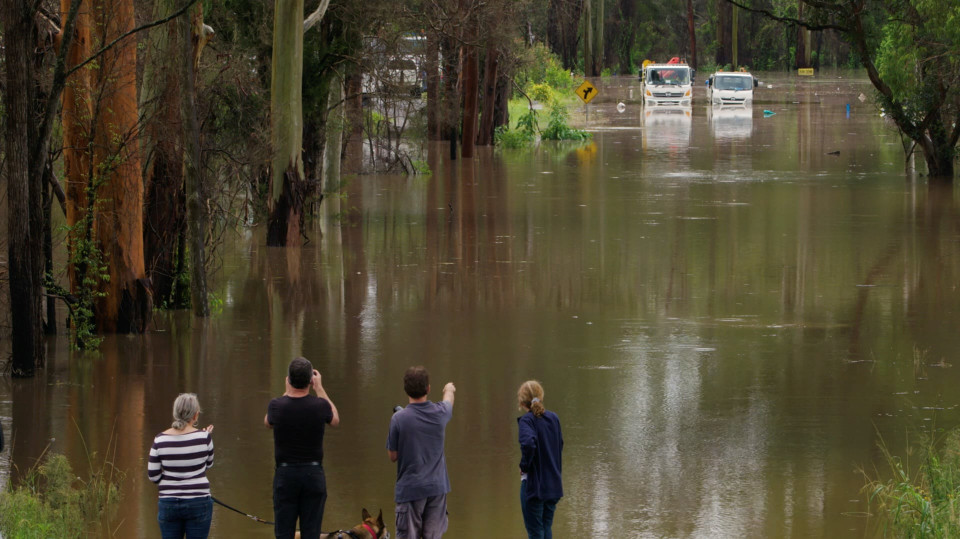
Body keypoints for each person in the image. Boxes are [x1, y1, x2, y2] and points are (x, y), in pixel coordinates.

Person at [265, 357, 340, 539]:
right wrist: (319, 388)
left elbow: (268, 423)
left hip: (285, 475)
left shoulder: (277, 405)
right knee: (311, 533)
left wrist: (287, 390)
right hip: (313, 474)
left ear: (289, 379)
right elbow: (335, 420)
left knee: (284, 533)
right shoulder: (320, 405)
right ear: (311, 380)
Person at [387, 366, 455, 539]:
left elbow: (392, 456)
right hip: (437, 489)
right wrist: (449, 388)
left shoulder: (398, 419)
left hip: (409, 490)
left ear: (405, 389)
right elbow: (448, 401)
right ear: (428, 388)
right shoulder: (440, 413)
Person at [148, 393, 215, 539]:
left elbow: (153, 475)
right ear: (196, 415)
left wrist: (170, 483)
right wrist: (204, 436)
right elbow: (208, 464)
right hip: (199, 502)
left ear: (175, 413)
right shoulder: (204, 438)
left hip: (169, 503)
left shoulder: (160, 439)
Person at [517, 380, 563, 539]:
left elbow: (529, 444)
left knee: (536, 532)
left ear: (522, 402)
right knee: (546, 528)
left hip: (535, 486)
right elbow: (560, 445)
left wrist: (524, 466)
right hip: (553, 484)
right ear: (540, 396)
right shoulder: (554, 418)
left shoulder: (526, 421)